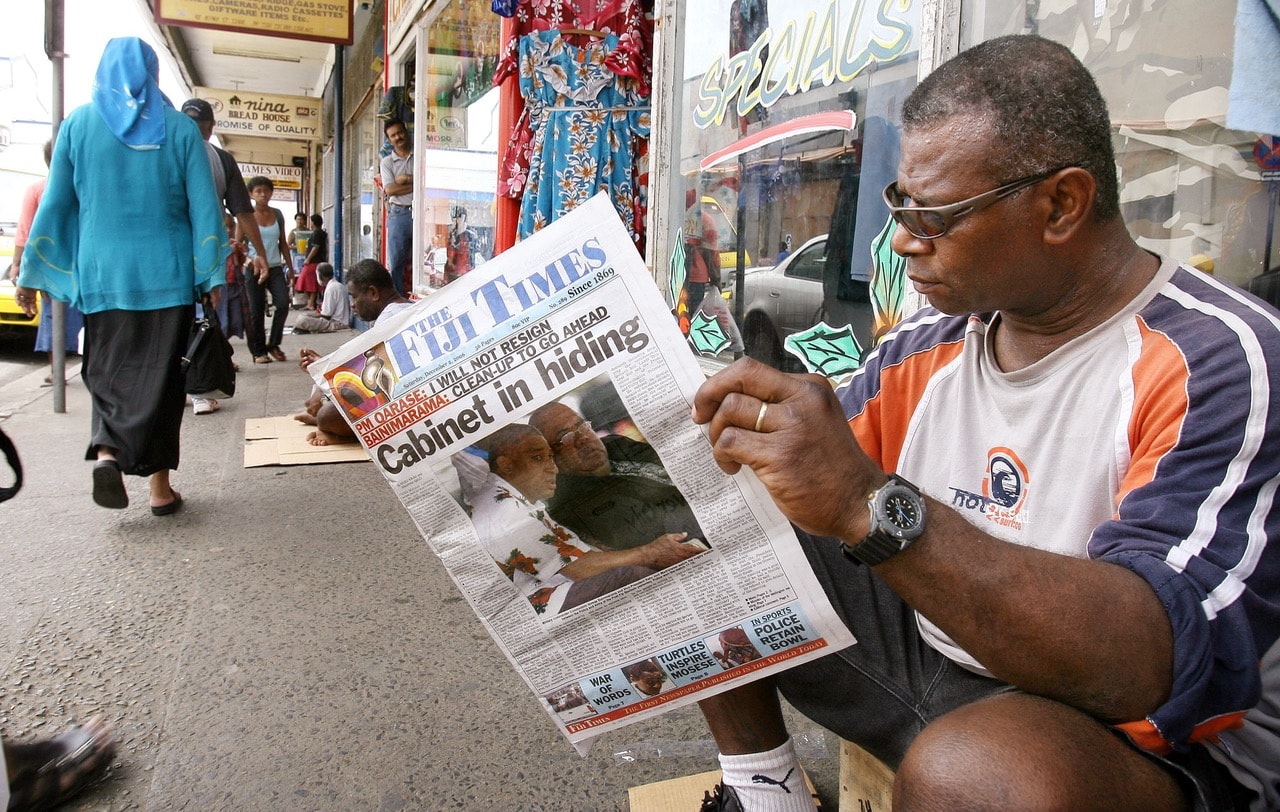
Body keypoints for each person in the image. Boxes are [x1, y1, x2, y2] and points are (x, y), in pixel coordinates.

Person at [689, 35, 1279, 812]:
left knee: (980, 775)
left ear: (1061, 205)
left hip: (1136, 743)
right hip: (940, 669)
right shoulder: (927, 348)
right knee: (706, 509)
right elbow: (810, 476)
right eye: (900, 205)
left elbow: (1147, 668)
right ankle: (767, 794)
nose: (903, 240)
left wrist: (870, 506)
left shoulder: (1222, 363)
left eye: (935, 215)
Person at [15, 37, 226, 515]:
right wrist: (212, 273)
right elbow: (204, 208)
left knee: (108, 372)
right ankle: (159, 490)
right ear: (152, 75)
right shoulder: (179, 129)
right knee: (163, 380)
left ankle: (108, 453)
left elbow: (56, 204)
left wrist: (32, 274)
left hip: (102, 274)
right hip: (167, 275)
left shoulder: (79, 125)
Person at [468, 423, 704, 615]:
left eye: (550, 457)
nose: (553, 469)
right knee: (633, 574)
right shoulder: (505, 511)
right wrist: (649, 553)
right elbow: (578, 568)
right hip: (542, 603)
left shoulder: (516, 497)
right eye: (538, 458)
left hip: (559, 584)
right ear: (506, 465)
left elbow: (576, 552)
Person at [180, 97, 270, 416]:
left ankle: (199, 387)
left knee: (203, 315)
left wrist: (260, 253)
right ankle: (185, 386)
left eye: (199, 127)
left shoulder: (220, 160)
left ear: (210, 129)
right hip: (171, 251)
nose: (194, 133)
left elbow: (242, 210)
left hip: (203, 253)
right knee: (181, 317)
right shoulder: (162, 151)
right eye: (188, 125)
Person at [529, 401, 704, 550]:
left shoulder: (615, 444)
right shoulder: (573, 506)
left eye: (582, 425)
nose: (582, 438)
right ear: (551, 457)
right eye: (566, 437)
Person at [296, 259, 410, 445]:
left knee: (327, 415)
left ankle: (333, 428)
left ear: (373, 293)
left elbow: (367, 382)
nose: (352, 304)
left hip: (403, 404)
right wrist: (324, 368)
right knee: (325, 396)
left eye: (354, 297)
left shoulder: (389, 321)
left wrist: (323, 391)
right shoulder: (401, 309)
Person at [7, 139, 84, 387]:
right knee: (89, 319)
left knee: (54, 317)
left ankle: (57, 370)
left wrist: (20, 266)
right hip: (84, 262)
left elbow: (26, 232)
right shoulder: (83, 188)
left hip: (53, 267)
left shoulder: (40, 189)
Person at [243, 176, 295, 365]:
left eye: (266, 190)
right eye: (258, 191)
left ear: (272, 192)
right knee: (255, 312)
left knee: (282, 303)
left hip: (274, 268)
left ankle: (273, 344)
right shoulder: (246, 216)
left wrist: (290, 268)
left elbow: (283, 243)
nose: (263, 194)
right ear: (251, 194)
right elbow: (238, 244)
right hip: (254, 269)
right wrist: (249, 261)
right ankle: (258, 351)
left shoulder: (278, 214)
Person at [379, 118, 413, 297]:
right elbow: (390, 190)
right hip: (399, 214)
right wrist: (415, 184)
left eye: (400, 132)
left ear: (405, 131)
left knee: (425, 261)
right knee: (397, 262)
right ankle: (398, 300)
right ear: (389, 139)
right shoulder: (387, 163)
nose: (398, 137)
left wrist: (404, 180)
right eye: (393, 135)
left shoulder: (420, 154)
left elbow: (429, 181)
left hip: (422, 212)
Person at [292, 263, 350, 334]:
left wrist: (311, 316)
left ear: (321, 276)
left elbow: (327, 315)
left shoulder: (331, 289)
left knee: (302, 320)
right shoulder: (336, 285)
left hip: (337, 324)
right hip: (337, 321)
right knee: (304, 317)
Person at [295, 213, 328, 312]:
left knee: (308, 282)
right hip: (316, 261)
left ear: (312, 222)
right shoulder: (318, 233)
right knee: (309, 283)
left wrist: (308, 258)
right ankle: (311, 302)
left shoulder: (317, 233)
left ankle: (311, 303)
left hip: (314, 261)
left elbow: (316, 247)